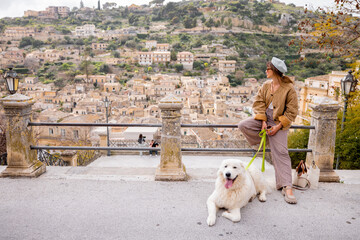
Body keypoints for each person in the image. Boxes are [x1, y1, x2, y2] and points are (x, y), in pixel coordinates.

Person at [238, 57, 299, 204]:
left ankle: (287, 187)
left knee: (281, 153)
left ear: (275, 71)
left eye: (268, 69)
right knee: (243, 125)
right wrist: (263, 121)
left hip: (280, 121)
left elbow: (292, 111)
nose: (266, 71)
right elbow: (258, 103)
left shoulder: (289, 89)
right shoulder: (266, 85)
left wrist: (278, 126)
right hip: (264, 119)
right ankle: (263, 143)